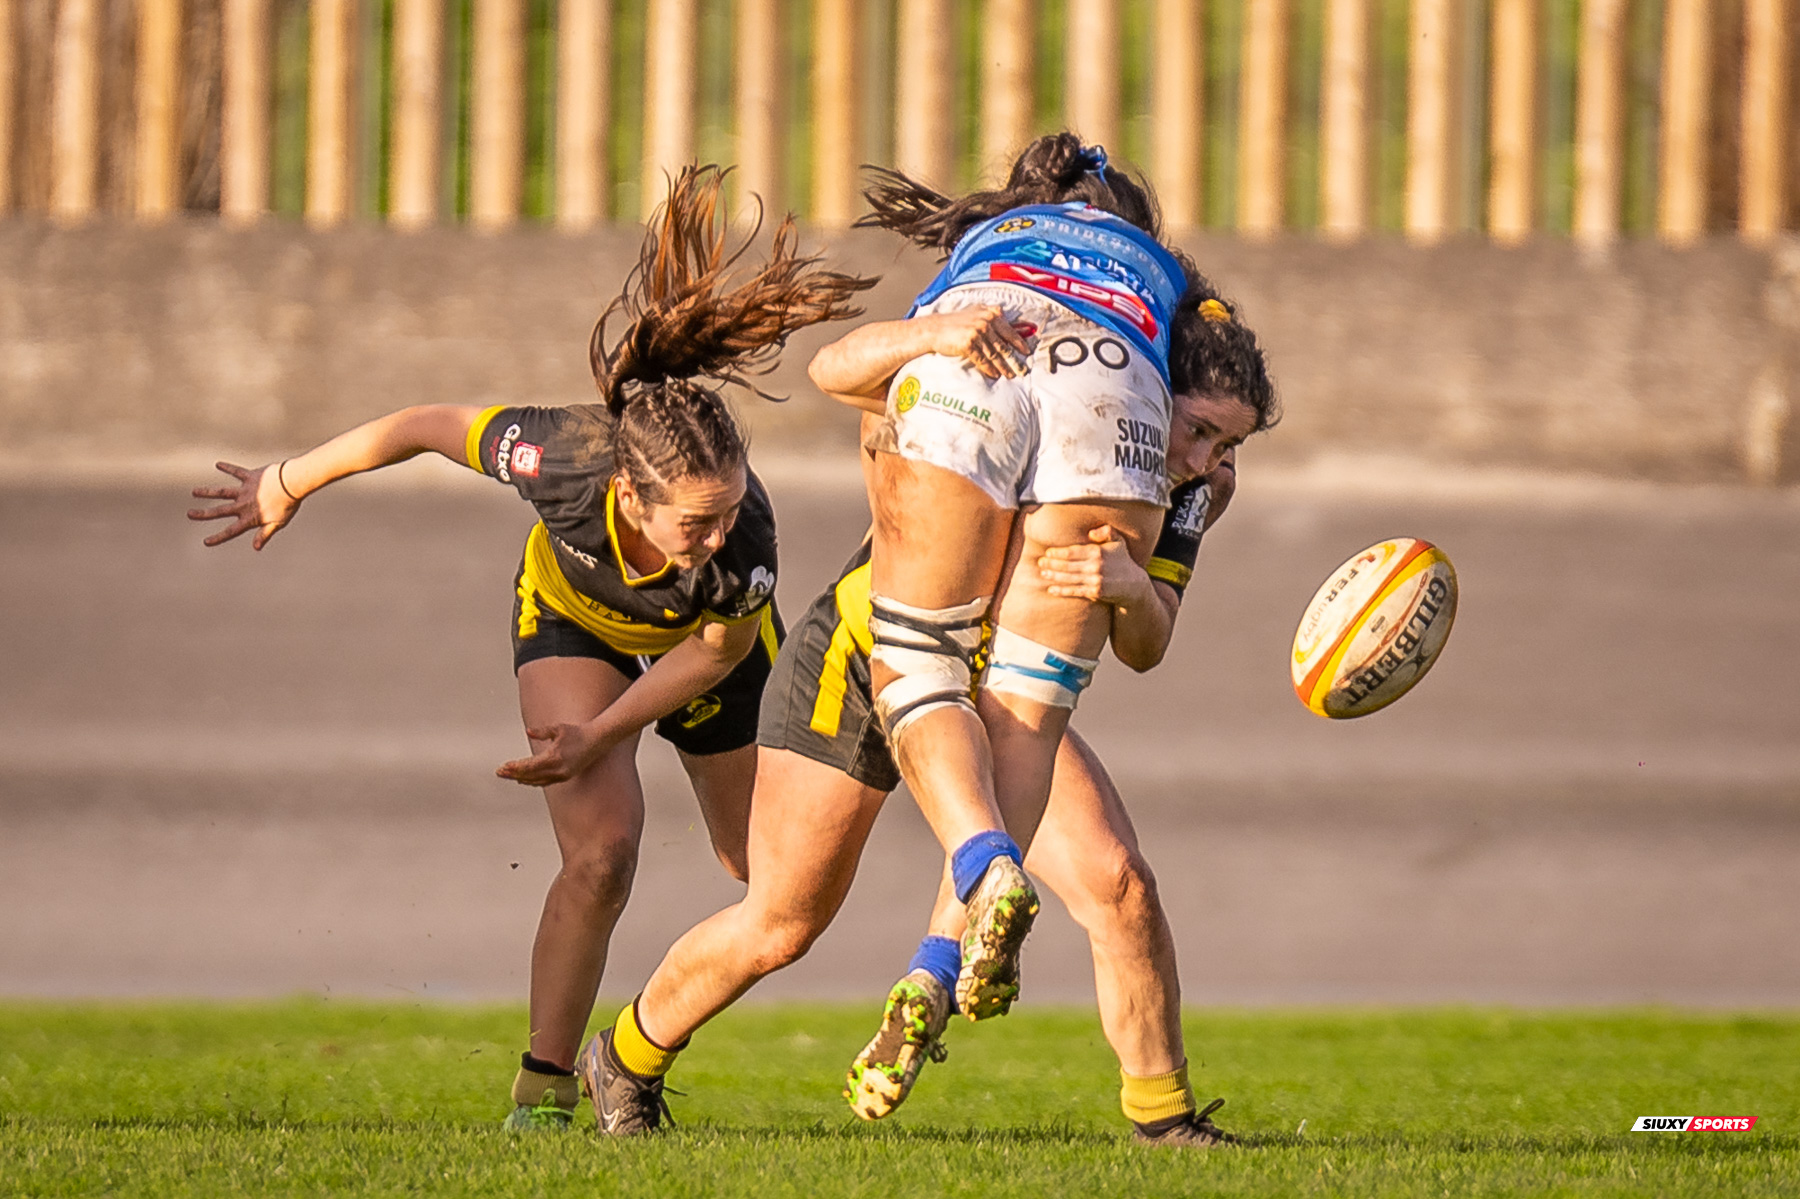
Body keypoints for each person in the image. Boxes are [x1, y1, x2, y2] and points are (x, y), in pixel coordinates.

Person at [186, 166, 873, 1131]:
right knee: (605, 852)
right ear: (630, 498)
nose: (721, 534)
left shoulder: (742, 539)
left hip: (699, 653)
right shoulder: (564, 458)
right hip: (573, 621)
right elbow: (424, 426)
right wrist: (289, 480)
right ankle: (548, 1093)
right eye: (698, 521)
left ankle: (628, 1048)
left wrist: (604, 734)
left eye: (730, 512)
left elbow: (712, 657)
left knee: (757, 876)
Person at [577, 285, 1277, 1146]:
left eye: (1231, 444)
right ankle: (625, 1056)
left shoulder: (1190, 491)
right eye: (1201, 430)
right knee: (782, 921)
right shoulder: (1041, 399)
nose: (1210, 462)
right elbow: (869, 396)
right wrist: (931, 343)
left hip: (1011, 696)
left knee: (1119, 882)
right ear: (1151, 391)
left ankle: (1165, 1123)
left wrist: (1134, 589)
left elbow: (1147, 644)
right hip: (867, 658)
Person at [839, 133, 1197, 1021]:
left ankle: (986, 862)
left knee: (920, 664)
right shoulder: (1165, 272)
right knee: (1029, 711)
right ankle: (936, 952)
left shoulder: (989, 242)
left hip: (976, 358)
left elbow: (842, 376)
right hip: (1115, 399)